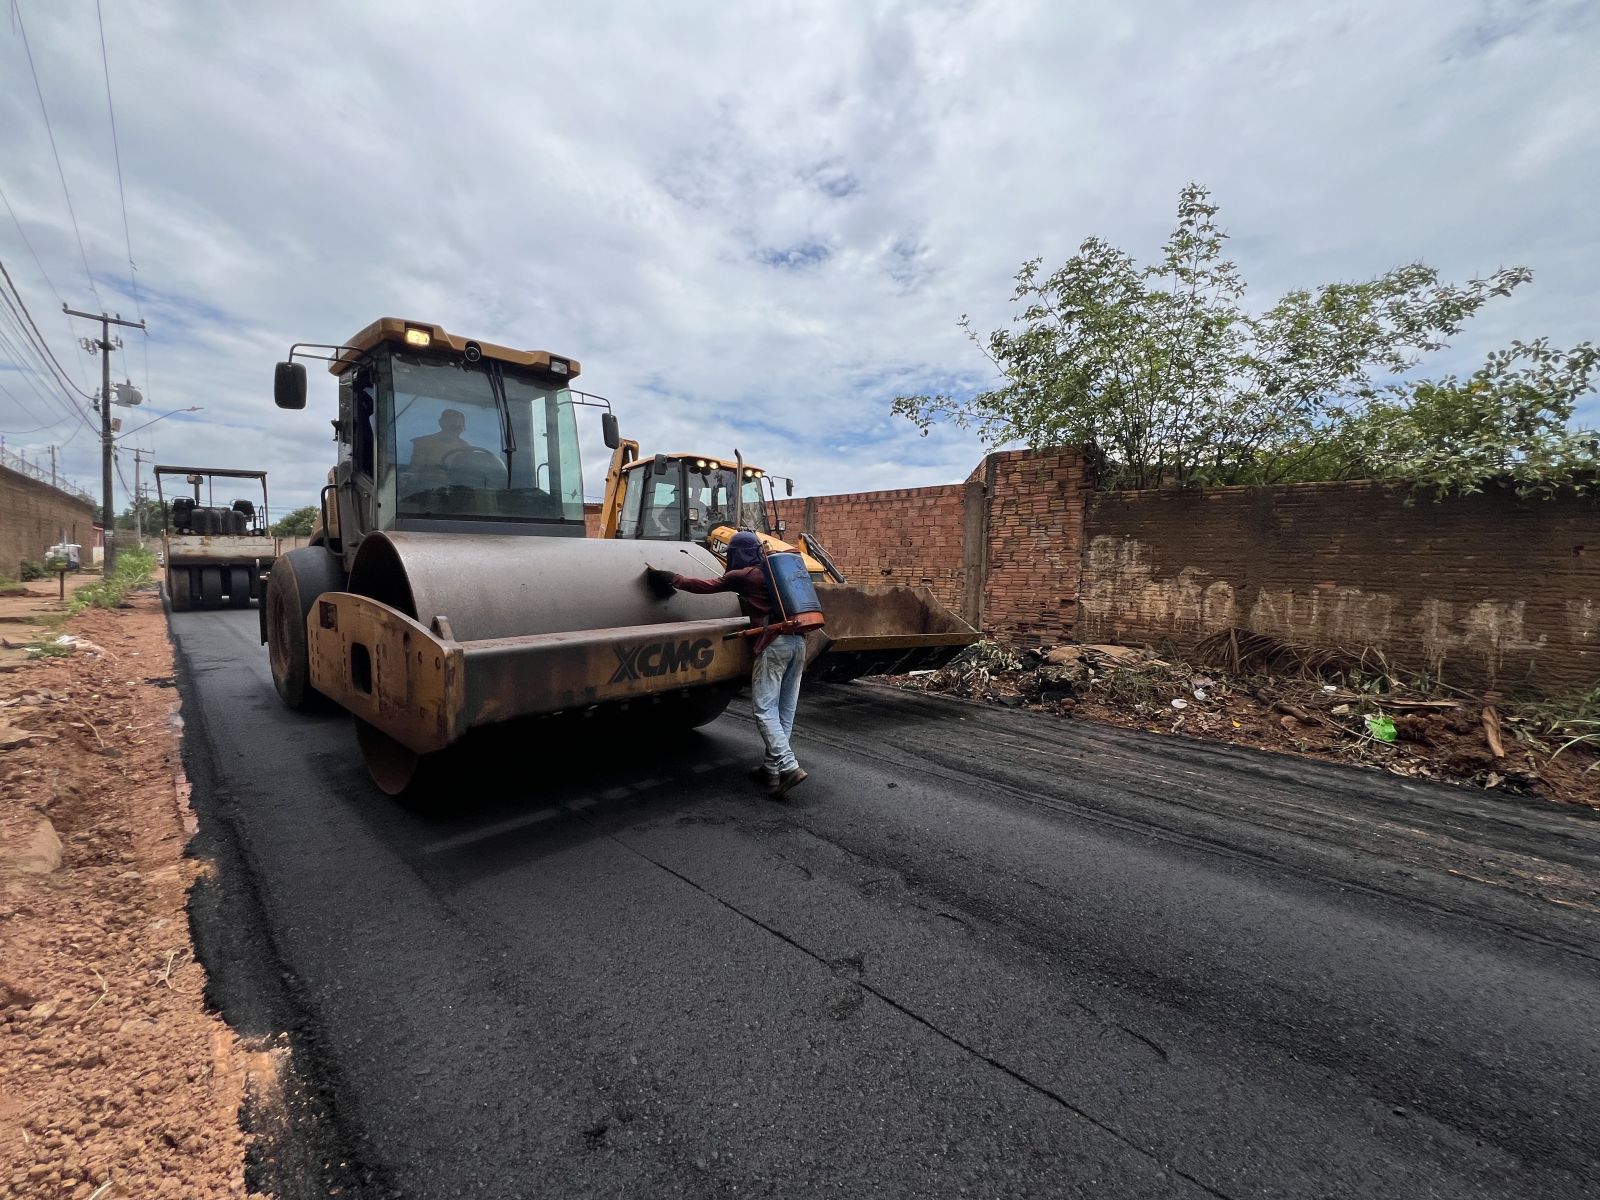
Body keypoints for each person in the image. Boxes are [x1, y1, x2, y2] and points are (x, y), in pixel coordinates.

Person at [647, 531, 808, 798]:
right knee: (784, 711)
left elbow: (703, 586)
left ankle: (789, 766)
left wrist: (670, 577)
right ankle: (771, 768)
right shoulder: (777, 572)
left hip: (774, 645)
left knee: (765, 710)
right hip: (799, 642)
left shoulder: (743, 577)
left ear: (737, 553)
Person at [408, 409, 475, 471]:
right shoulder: (422, 443)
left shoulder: (466, 448)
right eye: (452, 426)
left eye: (459, 427)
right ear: (441, 423)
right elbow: (414, 471)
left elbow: (468, 474)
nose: (455, 430)